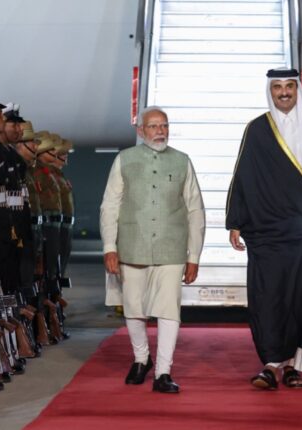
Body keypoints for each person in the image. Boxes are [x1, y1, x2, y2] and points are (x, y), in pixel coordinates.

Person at [226, 68, 302, 390]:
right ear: (270, 90)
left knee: (301, 296)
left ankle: (294, 364)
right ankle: (269, 363)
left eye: (289, 86)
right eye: (277, 87)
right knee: (269, 296)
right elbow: (244, 176)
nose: (283, 92)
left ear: (298, 89)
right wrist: (236, 220)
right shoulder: (258, 129)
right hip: (267, 230)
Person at [100, 106, 205, 394]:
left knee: (169, 309)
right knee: (133, 307)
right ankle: (140, 358)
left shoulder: (182, 161)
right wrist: (110, 246)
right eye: (154, 126)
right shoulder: (125, 160)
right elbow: (110, 205)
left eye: (164, 125)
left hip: (172, 248)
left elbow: (195, 210)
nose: (160, 131)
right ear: (140, 130)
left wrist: (193, 255)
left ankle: (163, 371)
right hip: (132, 246)